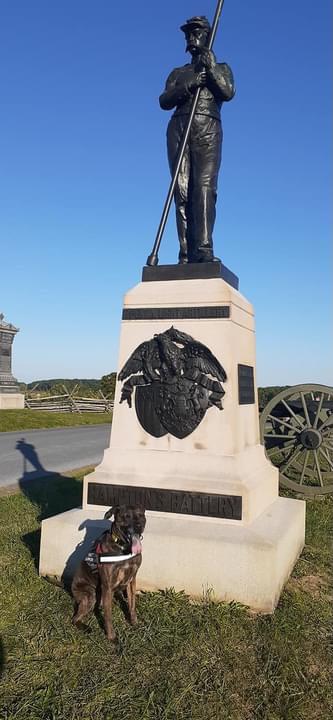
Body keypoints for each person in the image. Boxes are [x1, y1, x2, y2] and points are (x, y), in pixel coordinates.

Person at [159, 16, 235, 264]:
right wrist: (190, 84)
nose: (192, 38)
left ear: (207, 36)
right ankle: (185, 253)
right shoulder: (179, 72)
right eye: (189, 35)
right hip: (179, 125)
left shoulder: (220, 66)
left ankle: (202, 249)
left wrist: (211, 69)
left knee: (204, 188)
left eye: (197, 33)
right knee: (181, 190)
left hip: (207, 126)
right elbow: (164, 101)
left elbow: (227, 92)